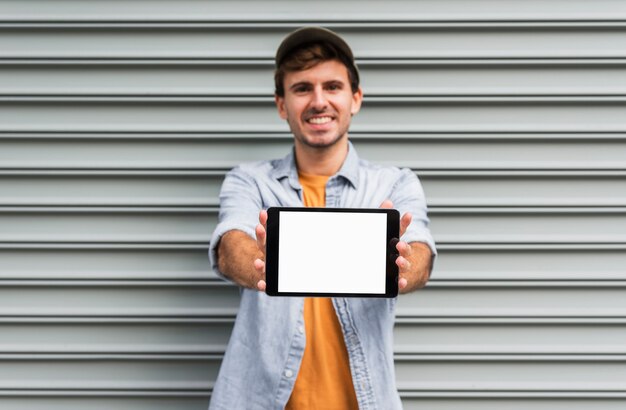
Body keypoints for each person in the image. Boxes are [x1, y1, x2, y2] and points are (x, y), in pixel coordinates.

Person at [208, 26, 436, 410]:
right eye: (302, 88)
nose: (319, 101)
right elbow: (232, 246)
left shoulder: (395, 183)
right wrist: (261, 263)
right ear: (282, 104)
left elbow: (421, 255)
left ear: (355, 99)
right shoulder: (250, 181)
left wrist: (402, 267)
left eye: (332, 86)